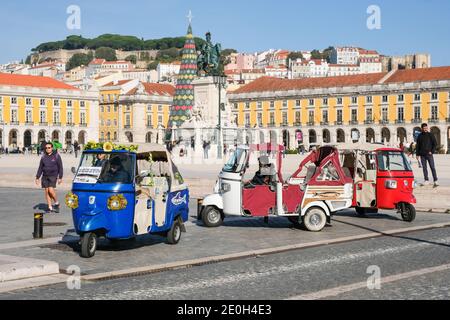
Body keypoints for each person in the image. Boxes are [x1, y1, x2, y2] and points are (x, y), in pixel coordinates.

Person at [35, 142, 63, 213]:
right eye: (46, 148)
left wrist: (60, 177)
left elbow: (60, 167)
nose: (47, 149)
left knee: (51, 190)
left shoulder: (56, 156)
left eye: (49, 148)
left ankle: (56, 202)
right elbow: (40, 167)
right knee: (46, 191)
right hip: (45, 176)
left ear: (52, 148)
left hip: (53, 176)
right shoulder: (43, 156)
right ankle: (50, 207)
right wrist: (37, 177)